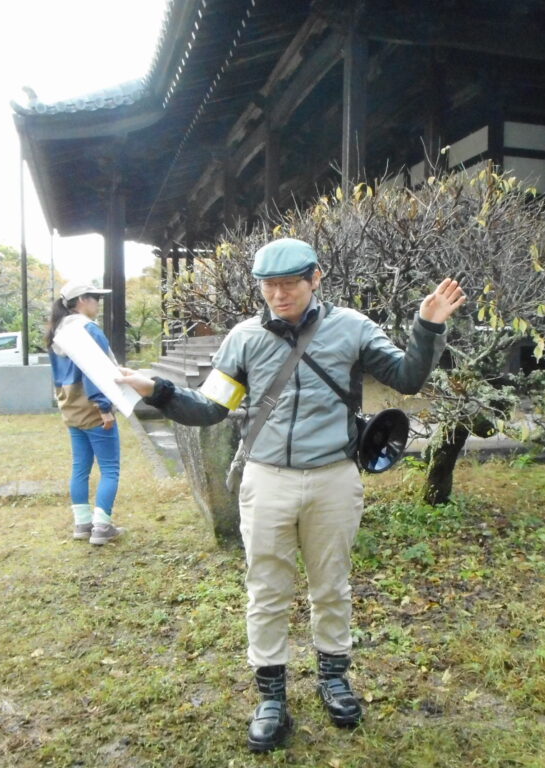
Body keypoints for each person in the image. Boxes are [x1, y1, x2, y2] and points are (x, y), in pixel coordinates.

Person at [118, 238, 465, 752]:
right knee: (267, 589)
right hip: (267, 478)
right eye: (268, 286)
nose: (278, 295)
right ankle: (271, 698)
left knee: (332, 585)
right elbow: (210, 409)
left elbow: (408, 378)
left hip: (333, 478)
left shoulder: (351, 328)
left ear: (315, 278)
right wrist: (157, 391)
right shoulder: (243, 338)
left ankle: (333, 680)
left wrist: (427, 325)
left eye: (289, 284)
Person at [47, 280, 124, 547]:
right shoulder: (87, 329)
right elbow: (96, 372)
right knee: (110, 469)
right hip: (93, 408)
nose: (98, 303)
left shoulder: (59, 331)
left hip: (71, 407)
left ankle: (82, 523)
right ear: (82, 300)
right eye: (96, 298)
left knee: (80, 467)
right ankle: (102, 527)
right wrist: (105, 408)